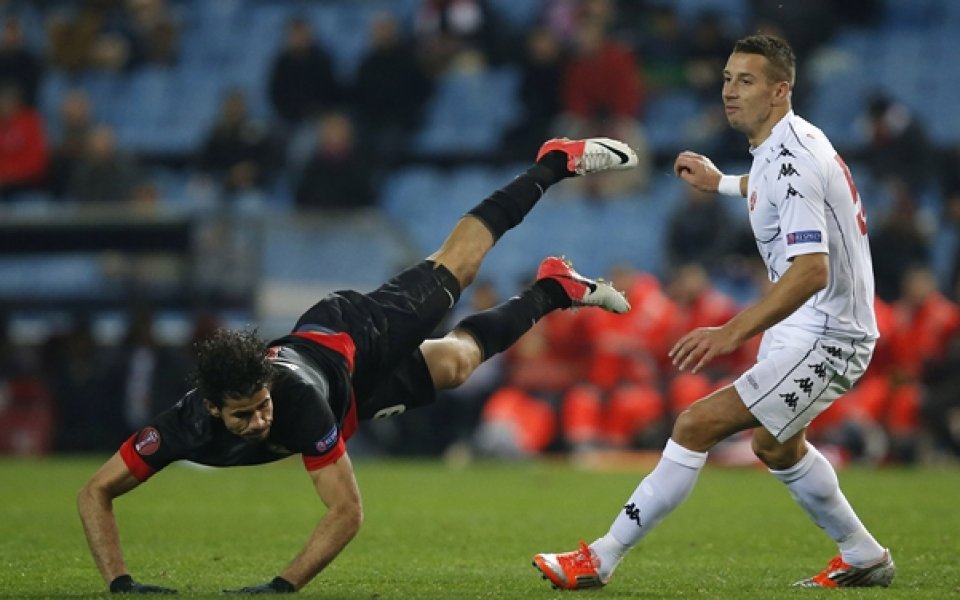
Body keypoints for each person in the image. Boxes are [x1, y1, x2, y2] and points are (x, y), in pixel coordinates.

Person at [76, 136, 638, 594]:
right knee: (459, 363)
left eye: (261, 405)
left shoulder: (294, 400)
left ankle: (551, 163)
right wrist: (120, 585)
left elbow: (346, 512)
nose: (259, 421)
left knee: (457, 266)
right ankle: (553, 289)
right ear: (211, 408)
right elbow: (93, 493)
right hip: (351, 389)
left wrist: (281, 587)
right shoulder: (181, 427)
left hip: (351, 334)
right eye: (243, 415)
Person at [532, 34, 896, 591]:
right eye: (727, 78)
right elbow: (770, 187)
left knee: (695, 423)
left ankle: (600, 558)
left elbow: (811, 270)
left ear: (780, 91)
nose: (729, 91)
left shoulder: (793, 158)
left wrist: (730, 332)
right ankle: (863, 553)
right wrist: (720, 182)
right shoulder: (788, 144)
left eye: (745, 81)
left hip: (829, 333)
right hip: (809, 325)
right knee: (775, 446)